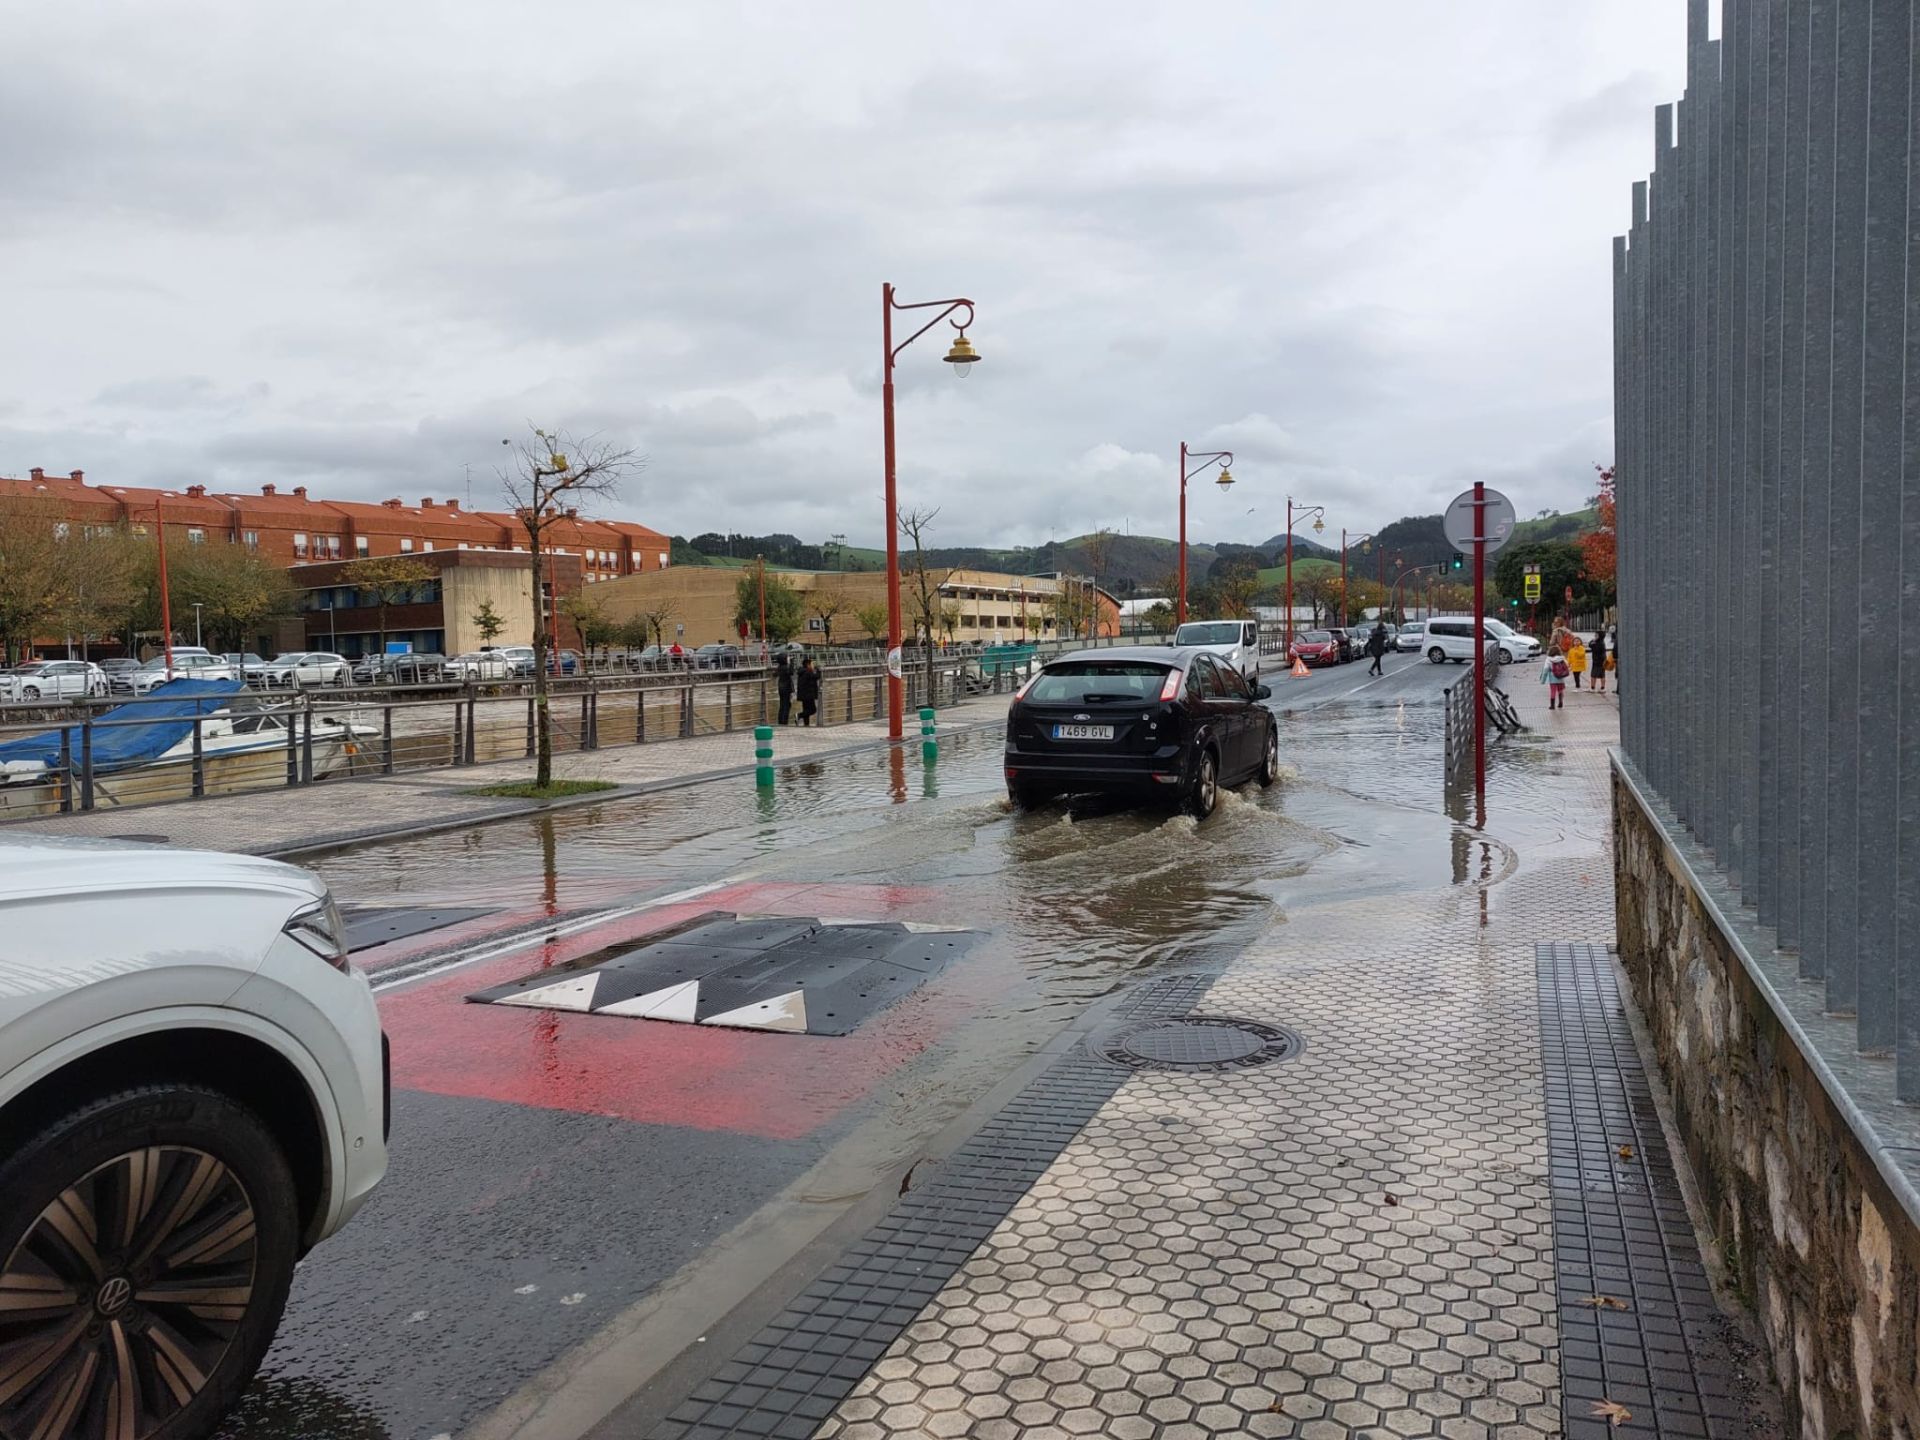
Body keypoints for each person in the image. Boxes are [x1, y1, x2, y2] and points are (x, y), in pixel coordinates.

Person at [797, 656, 821, 726]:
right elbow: (816, 676)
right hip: (808, 695)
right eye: (812, 664)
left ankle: (806, 725)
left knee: (806, 710)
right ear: (808, 665)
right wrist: (818, 670)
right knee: (813, 710)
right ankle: (799, 715)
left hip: (803, 695)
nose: (813, 665)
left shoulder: (802, 671)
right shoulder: (808, 672)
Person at [775, 654, 794, 725]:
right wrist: (791, 663)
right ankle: (784, 722)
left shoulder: (779, 667)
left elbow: (775, 674)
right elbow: (791, 672)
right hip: (786, 688)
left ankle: (780, 721)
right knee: (787, 705)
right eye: (786, 658)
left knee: (782, 705)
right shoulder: (785, 667)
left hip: (781, 688)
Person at [1589, 628, 1608, 695]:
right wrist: (1593, 641)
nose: (1595, 636)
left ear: (1600, 636)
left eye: (1596, 635)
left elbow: (1591, 646)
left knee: (1593, 675)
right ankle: (1602, 688)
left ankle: (1593, 687)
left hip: (1597, 662)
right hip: (1601, 661)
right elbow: (1590, 645)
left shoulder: (1599, 643)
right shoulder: (1601, 642)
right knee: (1602, 675)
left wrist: (1593, 641)